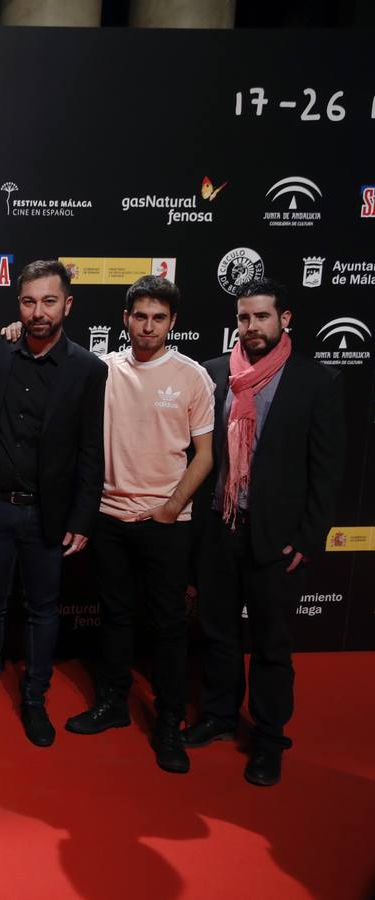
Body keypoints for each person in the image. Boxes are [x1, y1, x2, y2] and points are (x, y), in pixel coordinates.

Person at [185, 278, 344, 786]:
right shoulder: (214, 376)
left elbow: (327, 467)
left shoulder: (314, 382)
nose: (251, 327)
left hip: (274, 536)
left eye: (261, 317)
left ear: (284, 319)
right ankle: (219, 715)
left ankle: (270, 739)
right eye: (244, 318)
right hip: (219, 527)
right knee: (218, 632)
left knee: (272, 644)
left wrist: (310, 536)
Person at [64, 276, 214, 775]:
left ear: (172, 323)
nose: (148, 326)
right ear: (125, 319)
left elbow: (206, 456)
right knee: (115, 617)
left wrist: (170, 508)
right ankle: (111, 706)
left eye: (159, 318)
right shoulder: (102, 370)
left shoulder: (193, 377)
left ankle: (169, 723)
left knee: (170, 626)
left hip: (166, 522)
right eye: (140, 316)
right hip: (108, 519)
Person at [0, 260, 107, 747]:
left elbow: (92, 449)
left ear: (68, 304)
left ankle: (34, 700)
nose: (38, 311)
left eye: (49, 301)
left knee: (44, 611)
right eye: (29, 301)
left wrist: (83, 516)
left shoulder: (89, 369)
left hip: (49, 514)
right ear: (18, 305)